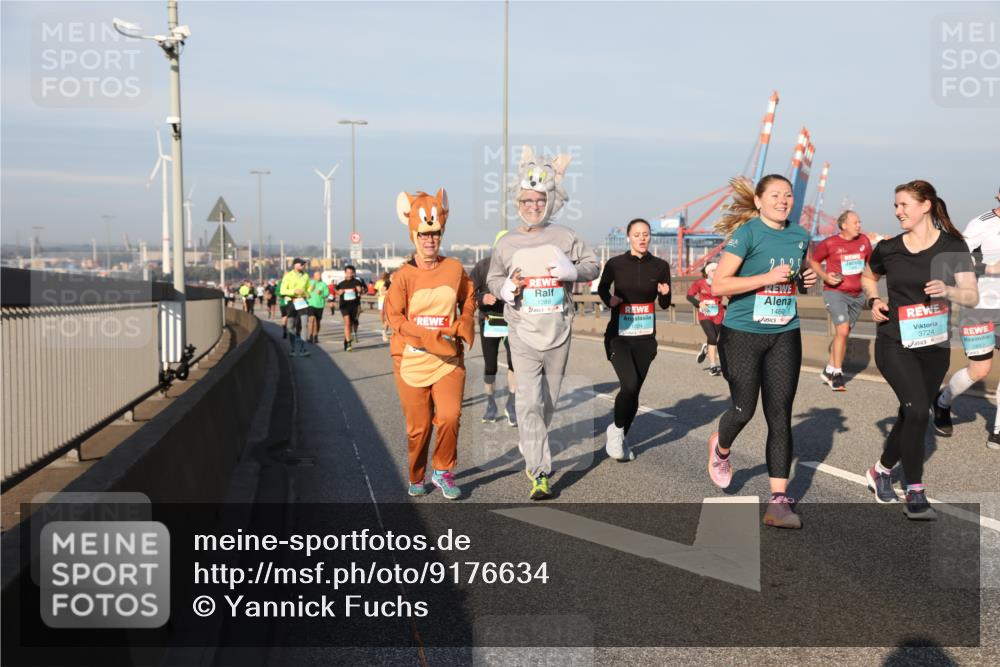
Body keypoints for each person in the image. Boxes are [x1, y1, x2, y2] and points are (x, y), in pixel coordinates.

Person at [487, 146, 600, 500]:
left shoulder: (566, 236)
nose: (533, 206)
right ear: (516, 203)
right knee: (529, 402)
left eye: (539, 200)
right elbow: (492, 278)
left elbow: (593, 266)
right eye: (526, 201)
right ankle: (539, 472)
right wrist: (505, 288)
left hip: (558, 331)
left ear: (549, 201)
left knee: (547, 402)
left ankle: (532, 439)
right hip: (521, 331)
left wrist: (572, 272)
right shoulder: (507, 243)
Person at [861, 179, 978, 520]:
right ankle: (914, 489)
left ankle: (881, 471)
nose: (898, 212)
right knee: (915, 411)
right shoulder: (888, 248)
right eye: (895, 206)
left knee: (913, 412)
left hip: (935, 346)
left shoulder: (953, 247)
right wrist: (874, 299)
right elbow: (869, 276)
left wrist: (949, 290)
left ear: (925, 205)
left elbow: (970, 295)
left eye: (903, 205)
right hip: (894, 341)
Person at [707, 175, 818, 529]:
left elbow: (797, 276)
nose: (783, 200)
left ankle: (779, 503)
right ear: (758, 201)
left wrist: (804, 281)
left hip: (785, 331)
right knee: (743, 411)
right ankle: (721, 448)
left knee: (780, 413)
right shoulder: (748, 234)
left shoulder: (800, 235)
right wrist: (765, 278)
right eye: (775, 195)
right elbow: (719, 284)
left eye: (787, 195)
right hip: (742, 333)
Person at [385, 188, 475, 500]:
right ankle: (417, 474)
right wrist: (425, 337)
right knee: (419, 428)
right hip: (412, 359)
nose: (430, 240)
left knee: (449, 416)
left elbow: (469, 297)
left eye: (435, 234)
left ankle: (443, 470)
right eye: (424, 234)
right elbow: (394, 317)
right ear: (413, 235)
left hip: (448, 359)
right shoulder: (403, 276)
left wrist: (464, 323)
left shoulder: (454, 269)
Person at [597, 218, 671, 461]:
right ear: (628, 237)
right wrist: (610, 301)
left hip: (645, 339)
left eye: (646, 234)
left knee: (634, 392)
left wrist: (665, 295)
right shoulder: (615, 264)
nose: (642, 238)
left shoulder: (660, 266)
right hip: (619, 336)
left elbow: (664, 304)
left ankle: (619, 435)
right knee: (628, 384)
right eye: (637, 234)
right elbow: (602, 288)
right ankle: (617, 432)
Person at [934, 186, 1000, 450]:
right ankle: (942, 402)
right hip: (980, 305)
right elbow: (956, 258)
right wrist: (990, 266)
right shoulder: (981, 224)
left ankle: (997, 430)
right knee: (980, 369)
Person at [808, 211, 873, 391]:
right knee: (843, 330)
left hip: (858, 295)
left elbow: (870, 265)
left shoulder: (865, 242)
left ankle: (829, 370)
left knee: (843, 334)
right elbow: (814, 261)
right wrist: (824, 276)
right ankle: (837, 373)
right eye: (855, 222)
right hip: (836, 293)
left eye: (859, 221)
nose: (859, 225)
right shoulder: (830, 243)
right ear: (844, 225)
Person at [469, 230, 517, 426]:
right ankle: (490, 404)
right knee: (490, 366)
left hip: (511, 321)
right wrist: (483, 298)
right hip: (489, 320)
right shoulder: (482, 266)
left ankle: (512, 404)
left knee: (515, 363)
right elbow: (469, 294)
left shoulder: (517, 268)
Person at [686, 261, 725, 376]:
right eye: (713, 270)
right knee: (712, 337)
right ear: (708, 272)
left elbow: (730, 294)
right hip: (705, 313)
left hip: (718, 313)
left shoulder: (721, 283)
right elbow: (689, 296)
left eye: (717, 270)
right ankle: (713, 366)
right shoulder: (700, 283)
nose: (715, 272)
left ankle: (707, 348)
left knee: (714, 339)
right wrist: (699, 303)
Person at [279, 258, 312, 357]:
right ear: (294, 265)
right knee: (290, 326)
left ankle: (303, 349)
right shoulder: (288, 276)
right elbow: (282, 290)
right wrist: (294, 291)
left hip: (302, 302)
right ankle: (292, 349)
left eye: (304, 264)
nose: (303, 265)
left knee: (305, 324)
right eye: (301, 264)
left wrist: (307, 293)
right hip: (291, 302)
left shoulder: (306, 276)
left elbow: (308, 288)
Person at [335, 265, 365, 352]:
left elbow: (363, 291)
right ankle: (349, 343)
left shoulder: (357, 281)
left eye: (351, 273)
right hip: (344, 305)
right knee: (347, 323)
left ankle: (346, 340)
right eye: (348, 272)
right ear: (345, 273)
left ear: (354, 273)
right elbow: (336, 290)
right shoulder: (340, 282)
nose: (349, 274)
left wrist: (360, 290)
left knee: (351, 324)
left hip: (354, 305)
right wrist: (339, 292)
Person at [307, 271, 329, 343]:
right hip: (311, 304)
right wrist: (310, 290)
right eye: (317, 275)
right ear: (314, 276)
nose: (319, 276)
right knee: (311, 319)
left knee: (317, 322)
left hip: (319, 305)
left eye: (320, 275)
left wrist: (321, 293)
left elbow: (327, 293)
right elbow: (306, 291)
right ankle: (310, 336)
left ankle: (316, 336)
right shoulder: (310, 283)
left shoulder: (323, 284)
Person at [375, 271, 392, 342]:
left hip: (395, 301)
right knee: (383, 314)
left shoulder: (399, 281)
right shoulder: (387, 283)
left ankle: (387, 330)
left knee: (391, 317)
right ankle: (384, 328)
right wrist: (389, 292)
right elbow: (381, 291)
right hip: (383, 300)